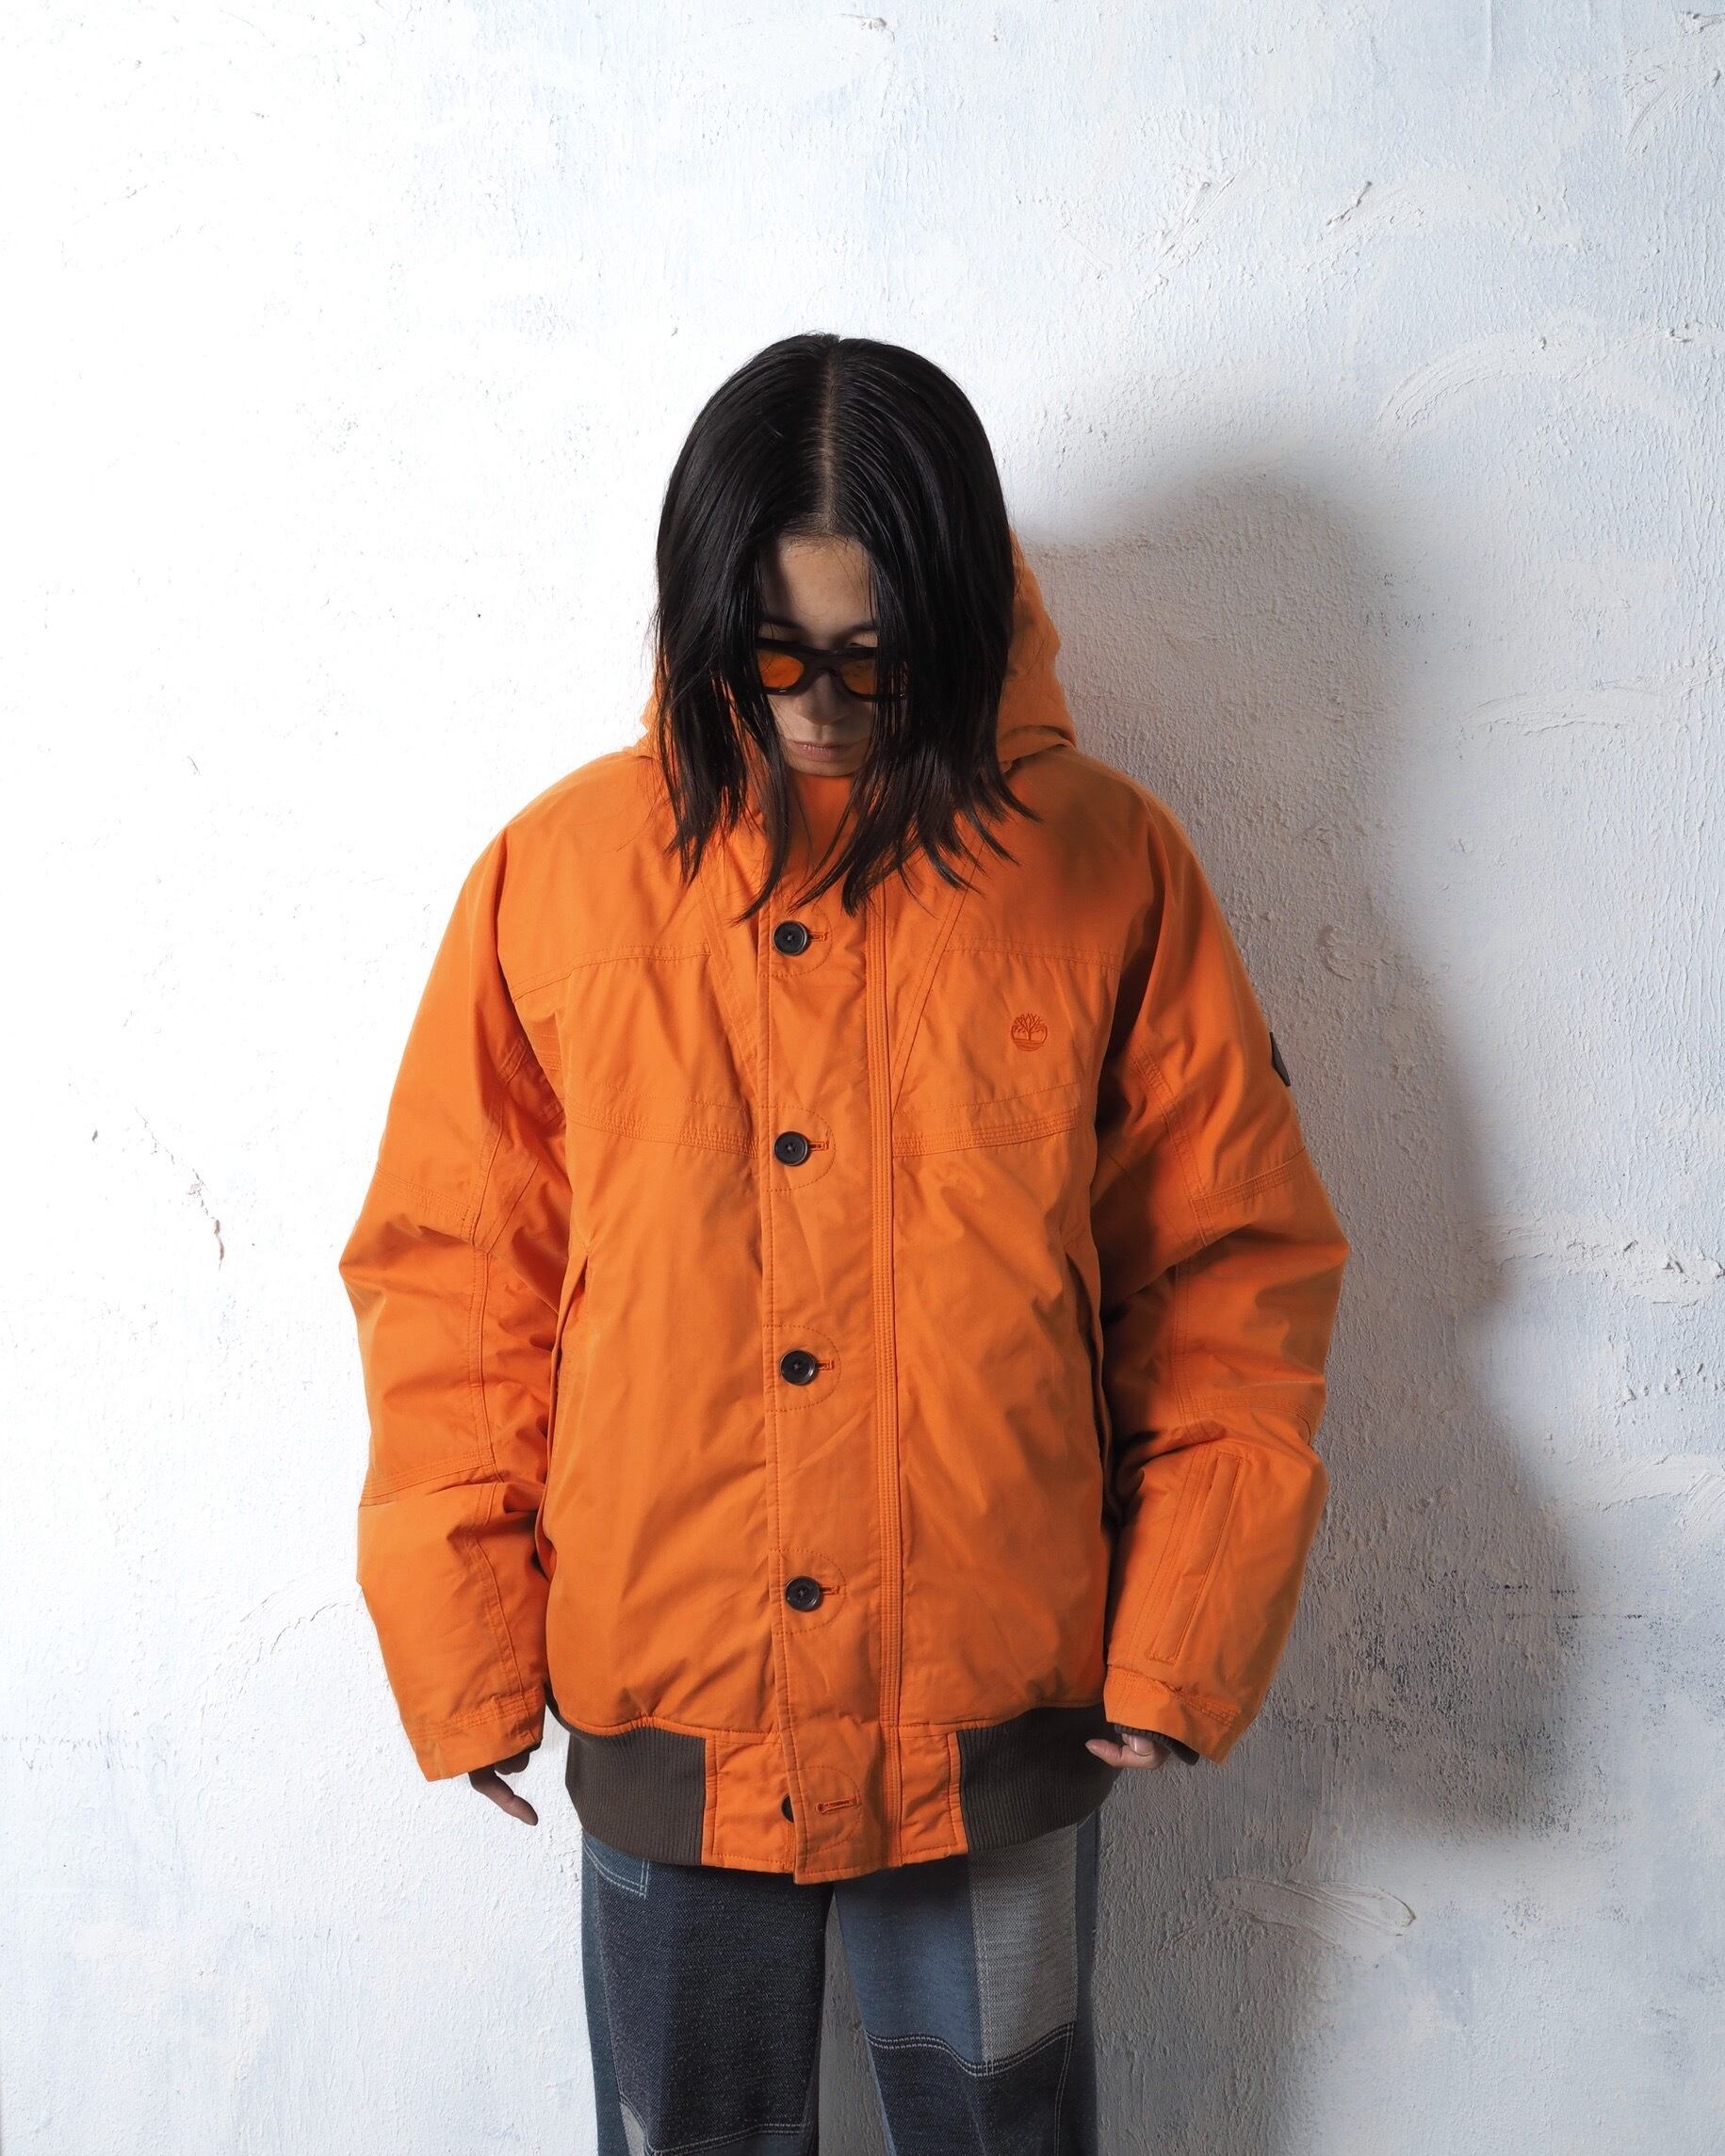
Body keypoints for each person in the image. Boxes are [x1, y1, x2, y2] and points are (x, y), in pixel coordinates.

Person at [336, 332, 1350, 2153]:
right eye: (773, 650)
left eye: (872, 656)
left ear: (954, 614)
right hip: (674, 1702)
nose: (818, 702)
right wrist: (468, 1630)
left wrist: (1182, 1627)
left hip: (999, 1713)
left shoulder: (1107, 869)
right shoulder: (558, 879)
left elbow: (1225, 1266)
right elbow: (458, 1281)